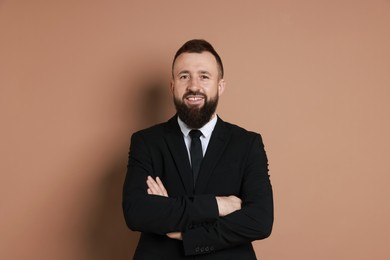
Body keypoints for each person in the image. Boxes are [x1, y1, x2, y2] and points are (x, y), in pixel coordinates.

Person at [122, 39, 273, 259]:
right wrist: (217, 205)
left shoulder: (247, 144)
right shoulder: (146, 142)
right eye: (184, 76)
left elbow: (260, 220)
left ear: (220, 86)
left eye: (204, 76)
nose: (194, 86)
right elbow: (136, 213)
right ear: (172, 86)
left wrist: (187, 233)